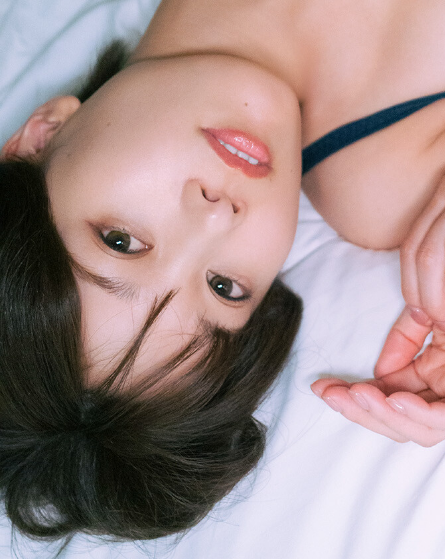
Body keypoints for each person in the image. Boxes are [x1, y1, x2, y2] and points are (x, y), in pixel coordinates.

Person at [2, 0, 445, 545]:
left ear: (41, 136)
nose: (217, 217)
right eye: (223, 288)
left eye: (120, 241)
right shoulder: (396, 180)